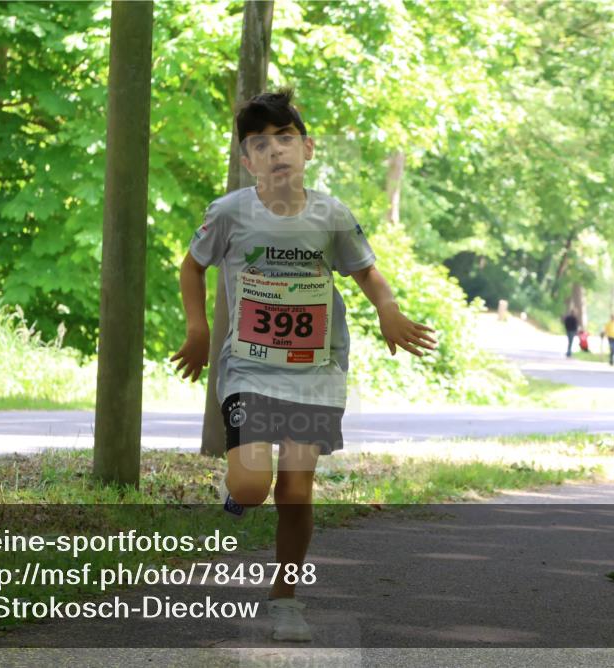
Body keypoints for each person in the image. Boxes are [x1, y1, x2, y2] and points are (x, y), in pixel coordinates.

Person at [170, 90, 437, 640]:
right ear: (247, 161)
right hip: (249, 367)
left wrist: (388, 310)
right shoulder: (229, 213)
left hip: (316, 372)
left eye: (285, 139)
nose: (275, 151)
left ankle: (285, 599)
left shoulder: (331, 214)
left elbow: (366, 272)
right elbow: (191, 268)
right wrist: (198, 330)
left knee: (295, 492)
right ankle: (239, 493)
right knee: (250, 489)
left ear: (308, 147)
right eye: (259, 144)